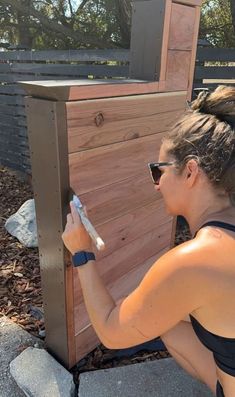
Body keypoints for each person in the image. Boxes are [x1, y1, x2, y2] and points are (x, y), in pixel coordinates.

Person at [62, 85, 235, 397]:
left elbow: (112, 332)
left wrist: (82, 253)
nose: (156, 185)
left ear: (191, 172)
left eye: (158, 171)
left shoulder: (195, 261)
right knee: (163, 318)